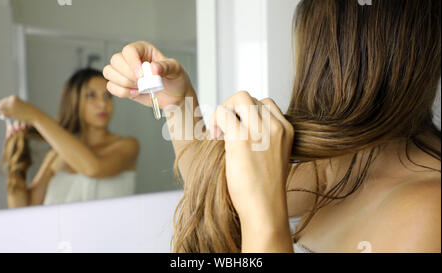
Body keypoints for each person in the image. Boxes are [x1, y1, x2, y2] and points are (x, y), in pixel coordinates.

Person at [102, 0, 441, 253]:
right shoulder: (331, 167)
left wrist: (262, 216)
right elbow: (208, 183)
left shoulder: (429, 212)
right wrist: (178, 102)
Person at [0, 68, 139, 208]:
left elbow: (94, 169)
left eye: (107, 96)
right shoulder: (58, 154)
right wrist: (15, 147)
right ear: (73, 101)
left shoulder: (127, 146)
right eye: (91, 95)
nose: (103, 104)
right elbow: (22, 210)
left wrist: (34, 116)